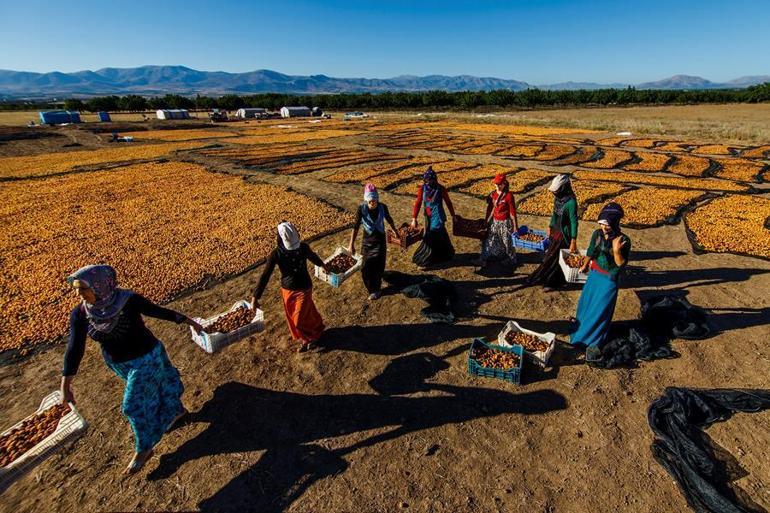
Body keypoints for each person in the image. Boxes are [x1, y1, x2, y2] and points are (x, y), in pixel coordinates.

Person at [60, 264, 203, 474]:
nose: (78, 294)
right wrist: (66, 385)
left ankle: (144, 449)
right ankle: (176, 411)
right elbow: (75, 347)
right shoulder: (81, 313)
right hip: (120, 364)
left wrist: (188, 321)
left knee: (132, 406)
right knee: (160, 385)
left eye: (83, 288)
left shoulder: (128, 300)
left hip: (147, 357)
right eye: (76, 289)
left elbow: (156, 311)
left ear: (99, 286)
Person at [252, 222, 328, 352]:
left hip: (304, 287)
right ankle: (306, 339)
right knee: (297, 316)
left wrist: (322, 264)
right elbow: (265, 275)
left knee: (299, 319)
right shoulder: (276, 254)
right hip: (287, 290)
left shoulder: (303, 247)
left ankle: (313, 338)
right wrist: (255, 297)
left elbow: (312, 256)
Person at [570, 202, 631, 355]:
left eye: (607, 224)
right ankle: (579, 336)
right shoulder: (597, 234)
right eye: (602, 224)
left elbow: (621, 265)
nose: (604, 227)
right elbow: (591, 251)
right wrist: (585, 265)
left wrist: (616, 250)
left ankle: (591, 340)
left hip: (609, 280)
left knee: (599, 311)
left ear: (615, 222)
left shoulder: (624, 240)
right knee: (586, 305)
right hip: (595, 275)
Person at [526, 174, 579, 288]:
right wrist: (550, 227)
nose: (554, 193)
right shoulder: (558, 199)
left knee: (554, 257)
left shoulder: (571, 203)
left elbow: (574, 222)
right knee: (551, 255)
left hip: (563, 234)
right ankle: (548, 278)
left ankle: (549, 279)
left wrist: (573, 240)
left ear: (563, 188)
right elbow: (554, 214)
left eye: (556, 190)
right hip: (555, 231)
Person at [348, 184, 398, 300]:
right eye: (370, 201)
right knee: (365, 267)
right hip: (367, 241)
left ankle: (376, 290)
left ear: (377, 199)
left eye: (374, 201)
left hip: (380, 240)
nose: (372, 203)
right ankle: (371, 288)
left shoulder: (382, 207)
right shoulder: (361, 209)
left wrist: (395, 231)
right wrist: (351, 244)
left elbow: (389, 219)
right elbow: (355, 227)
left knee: (378, 266)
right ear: (366, 200)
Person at [410, 167, 457, 268]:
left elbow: (448, 202)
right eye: (427, 180)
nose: (429, 182)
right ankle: (446, 253)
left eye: (431, 180)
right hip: (428, 214)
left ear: (435, 179)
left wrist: (453, 215)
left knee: (432, 234)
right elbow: (418, 203)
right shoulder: (423, 189)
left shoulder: (441, 189)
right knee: (439, 234)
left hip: (437, 214)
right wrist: (414, 218)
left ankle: (426, 260)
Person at [480, 173, 519, 268]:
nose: (497, 186)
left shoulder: (509, 196)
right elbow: (489, 208)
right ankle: (483, 259)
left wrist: (515, 227)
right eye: (496, 184)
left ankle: (512, 259)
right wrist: (486, 220)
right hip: (494, 221)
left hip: (505, 223)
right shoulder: (493, 194)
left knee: (507, 241)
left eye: (499, 184)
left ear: (504, 184)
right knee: (489, 240)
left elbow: (512, 212)